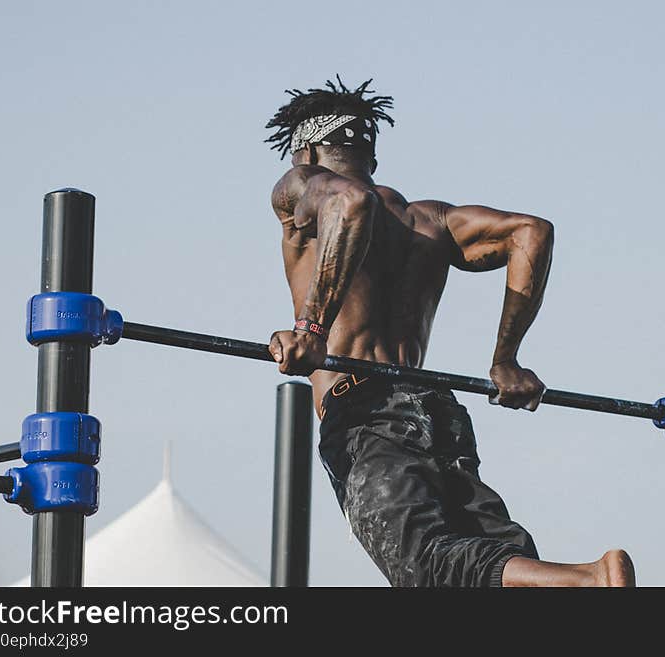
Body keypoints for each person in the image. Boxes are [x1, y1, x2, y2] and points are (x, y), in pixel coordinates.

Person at [265, 77, 634, 587]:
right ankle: (577, 585)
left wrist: (310, 328)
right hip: (435, 409)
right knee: (489, 567)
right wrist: (506, 358)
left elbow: (350, 204)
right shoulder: (428, 221)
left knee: (426, 567)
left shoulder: (302, 185)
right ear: (370, 155)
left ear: (304, 152)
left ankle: (592, 577)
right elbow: (530, 231)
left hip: (364, 413)